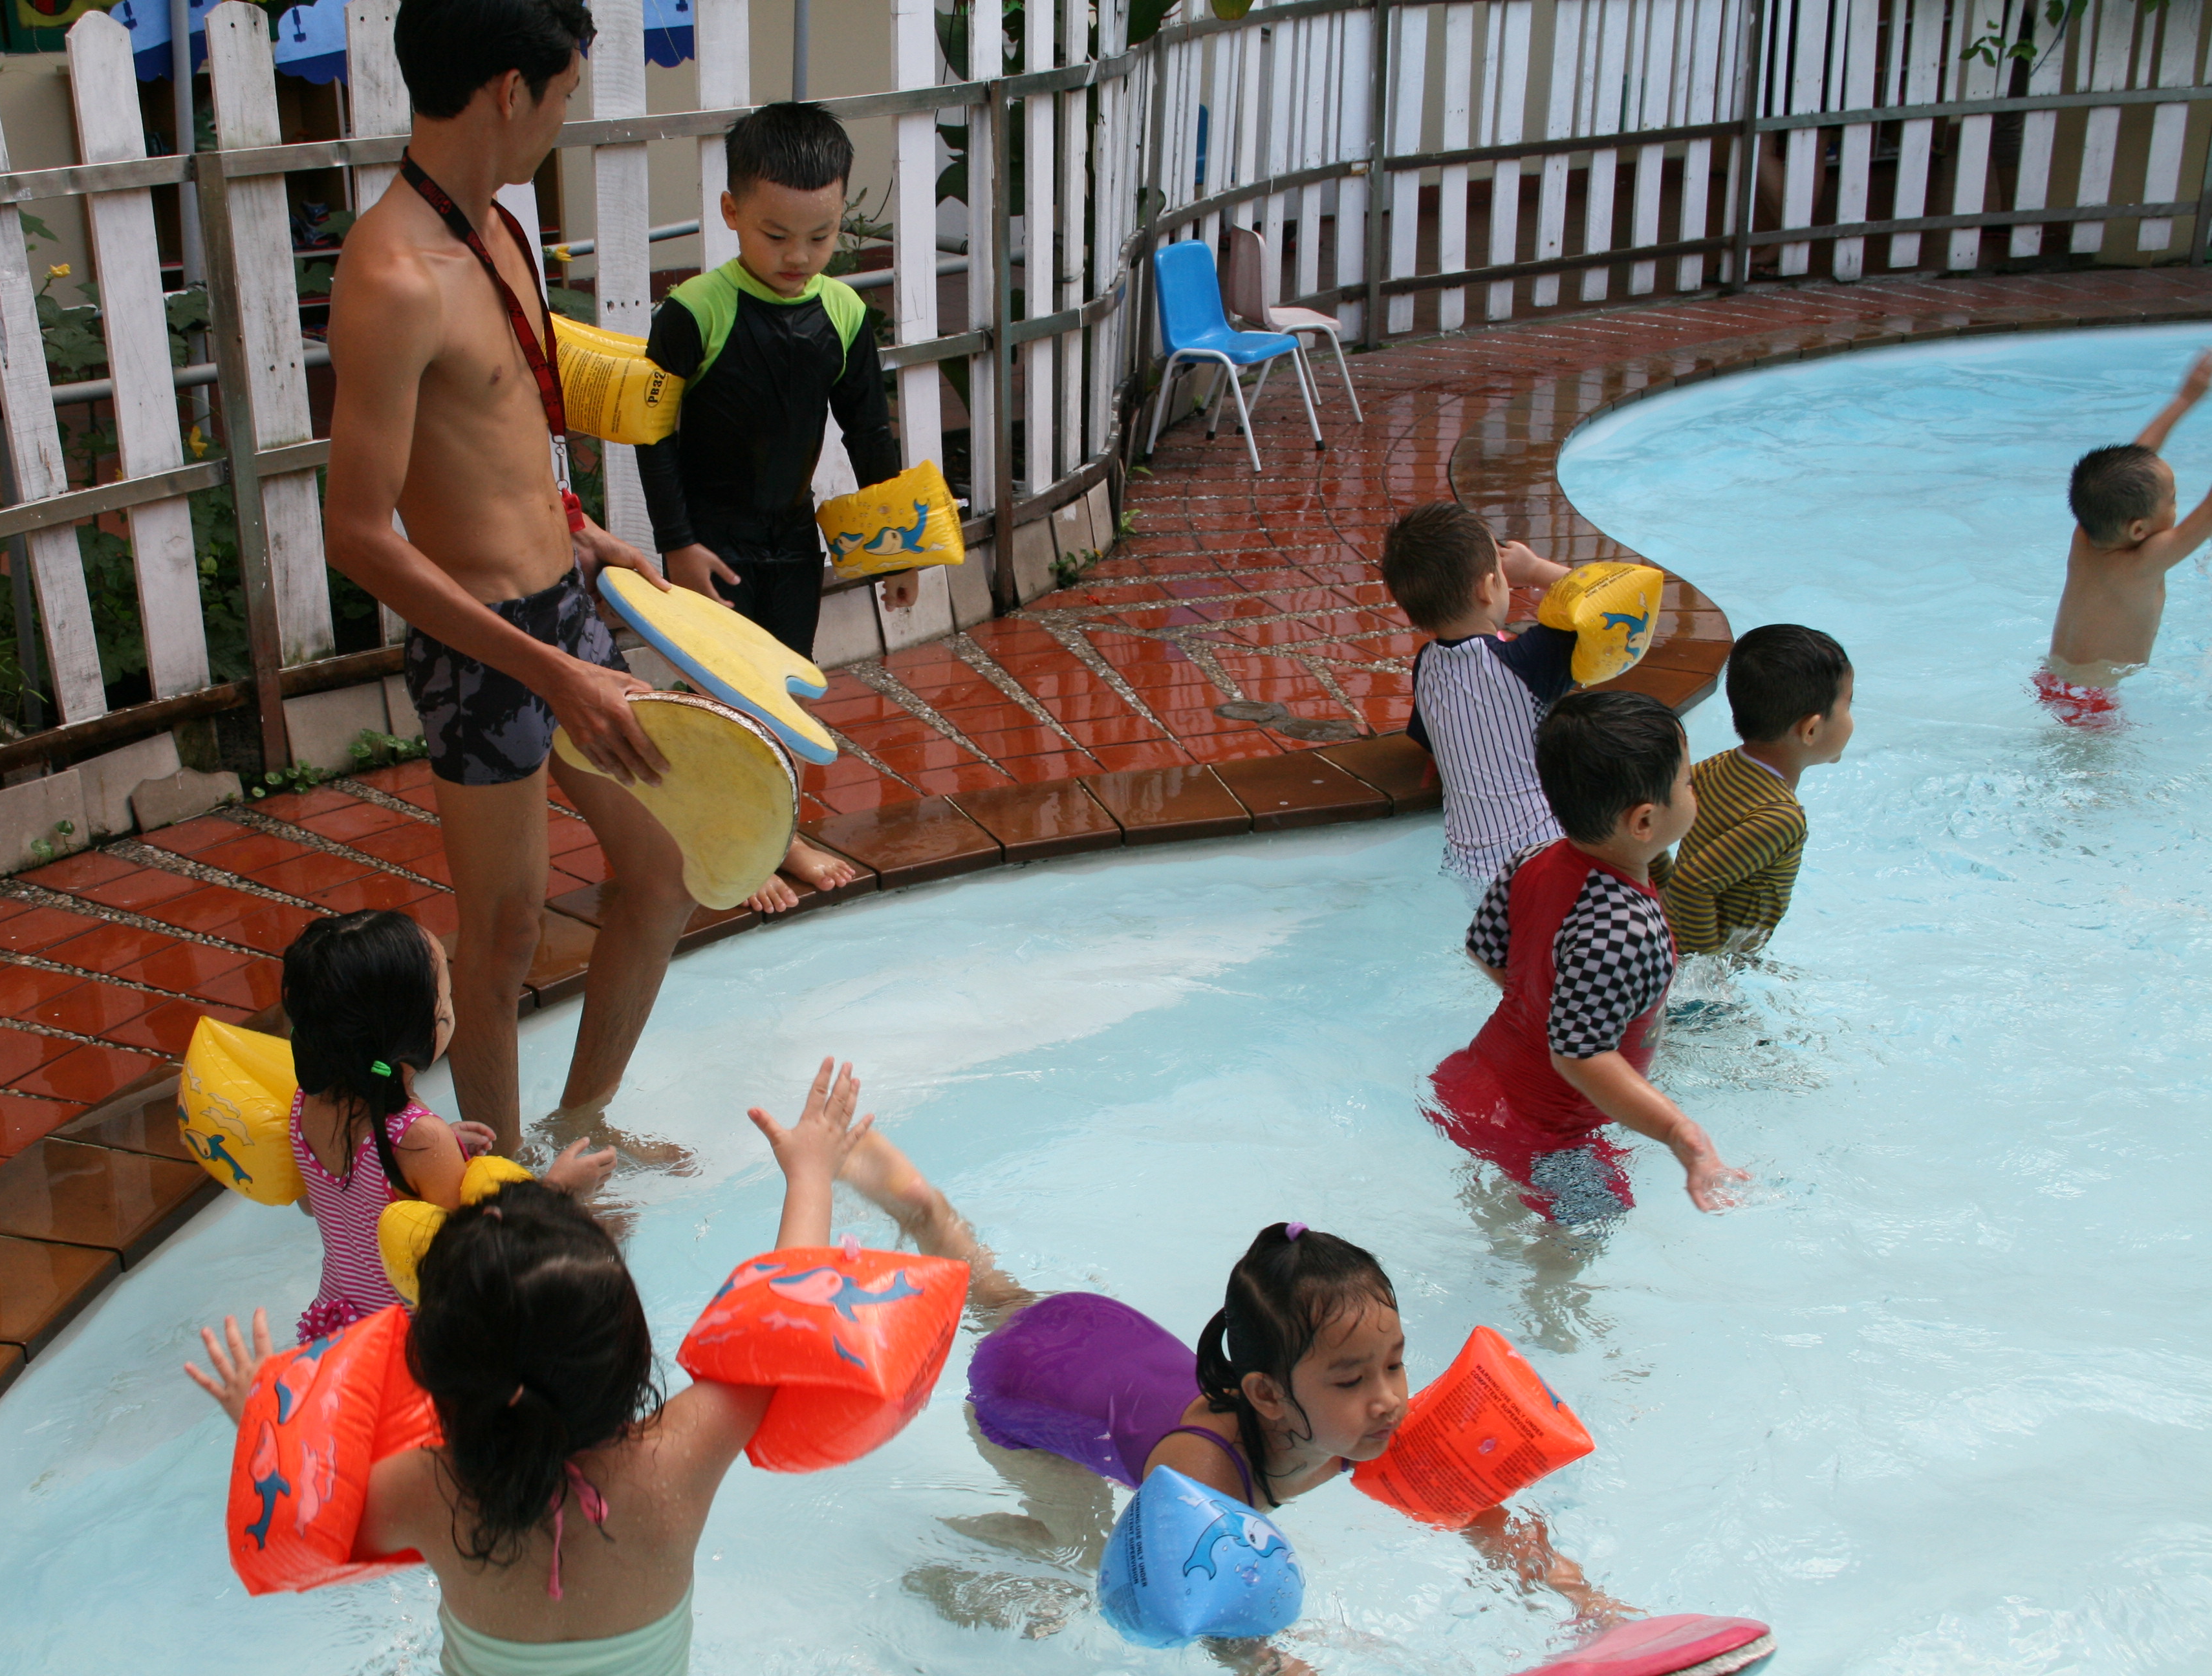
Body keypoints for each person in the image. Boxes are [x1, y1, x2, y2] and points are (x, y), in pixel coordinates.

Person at [323, 0, 700, 1170]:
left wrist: (580, 530)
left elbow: (504, 432)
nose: (564, 117)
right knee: (501, 940)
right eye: (565, 93)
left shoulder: (497, 229)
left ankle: (576, 1128)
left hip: (561, 609)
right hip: (482, 647)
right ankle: (502, 1191)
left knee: (662, 874)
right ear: (509, 90)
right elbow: (357, 535)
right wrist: (550, 670)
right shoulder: (393, 274)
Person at [187, 1056, 878, 1674]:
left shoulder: (425, 1491)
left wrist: (264, 1415)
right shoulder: (679, 1458)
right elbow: (784, 1319)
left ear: (431, 1370)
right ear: (631, 1346)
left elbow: (314, 1514)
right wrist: (809, 1174)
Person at [833, 1139, 1627, 1666]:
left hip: (1083, 1329)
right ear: (1267, 1396)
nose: (1389, 1400)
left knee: (1002, 1301)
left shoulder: (1364, 1419)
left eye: (1394, 1365)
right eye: (1352, 1379)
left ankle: (930, 1219)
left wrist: (1582, 1599)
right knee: (1083, 1556)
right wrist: (1279, 1664)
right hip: (1021, 1403)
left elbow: (1474, 1510)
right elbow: (1210, 1616)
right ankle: (942, 1559)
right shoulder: (1202, 1477)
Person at [638, 102, 903, 914]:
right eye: (775, 235)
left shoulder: (843, 314)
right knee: (721, 703)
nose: (798, 257)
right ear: (731, 212)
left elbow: (869, 431)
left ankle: (776, 835)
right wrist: (677, 543)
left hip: (791, 536)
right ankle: (724, 841)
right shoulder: (694, 312)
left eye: (820, 237)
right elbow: (652, 435)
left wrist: (899, 553)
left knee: (782, 697)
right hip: (711, 542)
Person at [1430, 690, 1746, 1220]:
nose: (1695, 791)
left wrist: (1549, 1007)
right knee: (1592, 1228)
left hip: (1474, 1082)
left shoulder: (1533, 859)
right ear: (1644, 821)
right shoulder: (1627, 929)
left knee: (1504, 1214)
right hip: (1549, 1134)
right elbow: (1579, 1056)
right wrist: (1680, 1132)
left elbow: (1484, 951)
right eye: (1688, 783)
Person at [280, 910, 611, 1341]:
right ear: (423, 1025)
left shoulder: (308, 1102)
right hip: (412, 1343)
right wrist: (558, 1191)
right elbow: (478, 1262)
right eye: (446, 995)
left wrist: (426, 1159)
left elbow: (320, 1203)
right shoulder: (417, 1139)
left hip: (339, 1329)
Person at [1383, 502, 1579, 892]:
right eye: (1504, 576)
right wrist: (1535, 570)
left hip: (1469, 872)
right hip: (1546, 859)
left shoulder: (1427, 666)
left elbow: (1431, 743)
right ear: (1488, 588)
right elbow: (1612, 596)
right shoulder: (1527, 662)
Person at [2041, 347, 2212, 725]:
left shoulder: (2086, 532)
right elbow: (2208, 515)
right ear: (2139, 529)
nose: (2177, 505)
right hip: (2094, 701)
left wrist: (2185, 399)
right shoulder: (2143, 561)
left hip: (2053, 680)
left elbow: (2133, 460)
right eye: (2172, 499)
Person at [1663, 627, 1853, 962]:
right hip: (1710, 962)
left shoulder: (1716, 767)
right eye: (1849, 705)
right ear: (1811, 730)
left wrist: (1658, 895)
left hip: (1681, 940)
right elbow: (1692, 885)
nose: (1851, 719)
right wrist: (1707, 971)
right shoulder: (1780, 817)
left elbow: (1649, 821)